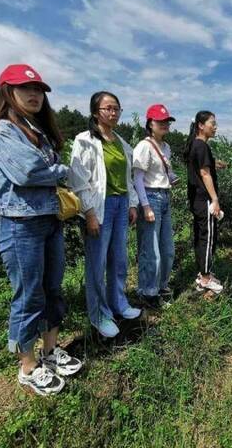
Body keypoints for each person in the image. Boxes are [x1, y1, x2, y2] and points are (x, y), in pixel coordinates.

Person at [0, 64, 82, 396]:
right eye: (26, 88)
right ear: (6, 93)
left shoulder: (35, 130)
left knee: (53, 288)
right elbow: (27, 172)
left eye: (39, 89)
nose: (34, 94)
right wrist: (61, 169)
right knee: (28, 295)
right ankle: (27, 366)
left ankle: (50, 351)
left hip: (49, 218)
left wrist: (51, 168)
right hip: (19, 223)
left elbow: (40, 168)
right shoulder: (3, 130)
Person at [69, 91, 141, 339]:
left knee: (119, 258)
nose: (113, 113)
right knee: (97, 263)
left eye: (116, 108)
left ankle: (119, 303)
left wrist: (132, 204)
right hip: (99, 206)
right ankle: (99, 314)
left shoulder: (122, 143)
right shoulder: (85, 141)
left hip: (120, 205)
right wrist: (88, 212)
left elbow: (127, 178)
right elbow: (78, 180)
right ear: (95, 112)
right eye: (108, 108)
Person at [132, 104, 177, 308]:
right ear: (150, 123)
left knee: (168, 250)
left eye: (167, 121)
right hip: (151, 197)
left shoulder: (166, 147)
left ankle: (161, 286)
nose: (165, 124)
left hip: (165, 196)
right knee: (151, 250)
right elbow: (138, 179)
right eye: (160, 121)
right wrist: (146, 206)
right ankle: (147, 293)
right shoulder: (144, 146)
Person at [183, 111, 224, 294]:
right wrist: (215, 199)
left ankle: (202, 274)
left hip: (195, 198)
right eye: (212, 123)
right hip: (204, 198)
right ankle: (206, 278)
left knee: (200, 236)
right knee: (208, 238)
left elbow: (201, 166)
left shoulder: (194, 144)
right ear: (201, 125)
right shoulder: (202, 146)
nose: (215, 127)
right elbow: (204, 173)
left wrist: (214, 163)